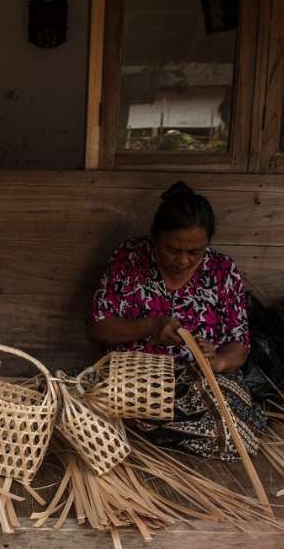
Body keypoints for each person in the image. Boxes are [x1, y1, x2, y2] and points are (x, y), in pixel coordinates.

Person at [86, 181, 265, 460]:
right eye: (172, 250)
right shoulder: (130, 259)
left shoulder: (223, 272)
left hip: (196, 383)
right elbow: (98, 326)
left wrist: (216, 361)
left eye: (195, 252)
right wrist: (150, 325)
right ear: (154, 238)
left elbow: (239, 344)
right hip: (137, 380)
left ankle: (152, 431)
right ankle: (162, 429)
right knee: (106, 400)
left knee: (237, 425)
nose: (182, 261)